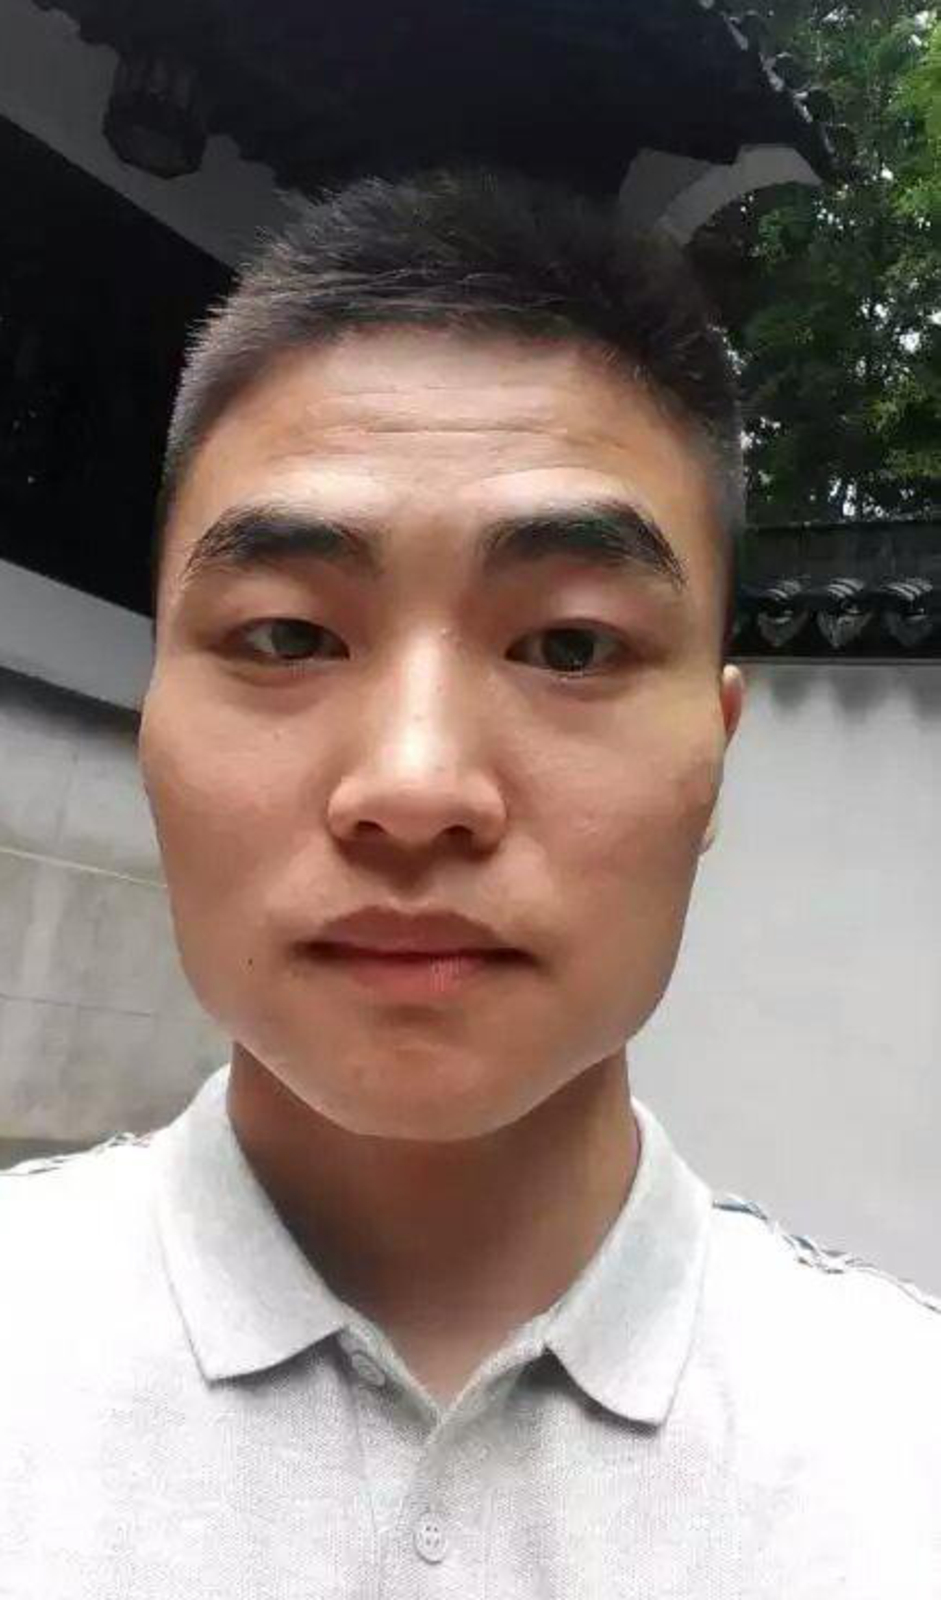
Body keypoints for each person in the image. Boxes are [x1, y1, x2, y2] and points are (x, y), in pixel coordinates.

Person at [2, 167, 938, 1596]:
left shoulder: (901, 1458)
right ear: (154, 722)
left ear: (715, 755)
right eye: (288, 638)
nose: (415, 785)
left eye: (568, 647)